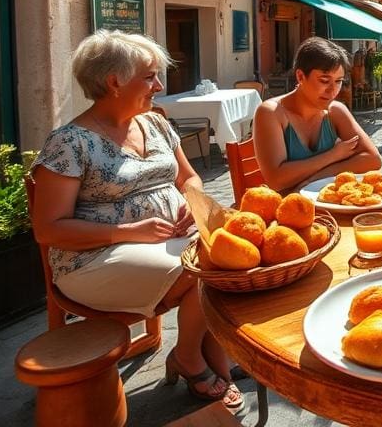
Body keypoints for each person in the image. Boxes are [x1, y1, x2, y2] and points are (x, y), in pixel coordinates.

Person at [31, 30, 244, 411]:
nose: (159, 86)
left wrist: (190, 201)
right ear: (114, 81)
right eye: (150, 76)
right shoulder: (70, 142)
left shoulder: (155, 124)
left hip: (168, 243)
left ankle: (211, 351)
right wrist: (128, 232)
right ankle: (190, 358)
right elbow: (48, 229)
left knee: (233, 257)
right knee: (207, 270)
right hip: (92, 260)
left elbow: (189, 177)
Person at [254, 37, 382, 191]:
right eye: (324, 80)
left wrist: (317, 177)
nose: (333, 90)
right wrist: (333, 155)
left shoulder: (335, 111)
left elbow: (373, 160)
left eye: (338, 81)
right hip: (288, 208)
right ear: (301, 76)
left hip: (327, 206)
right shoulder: (271, 113)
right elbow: (277, 180)